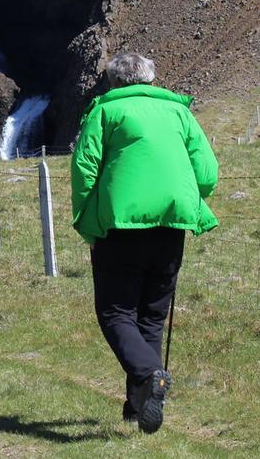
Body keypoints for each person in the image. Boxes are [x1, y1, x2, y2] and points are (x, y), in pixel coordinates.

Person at [70, 52, 218, 435]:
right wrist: (187, 196)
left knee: (115, 312)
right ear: (152, 80)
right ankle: (138, 406)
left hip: (120, 225)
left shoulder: (104, 112)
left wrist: (89, 222)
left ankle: (149, 375)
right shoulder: (180, 113)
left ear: (114, 82)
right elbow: (207, 173)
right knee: (151, 315)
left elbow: (84, 171)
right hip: (171, 223)